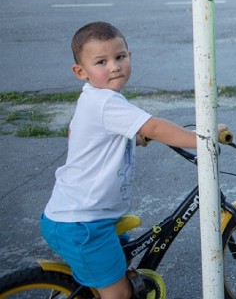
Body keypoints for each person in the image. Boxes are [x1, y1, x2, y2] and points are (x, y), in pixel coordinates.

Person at [41, 21, 215, 299]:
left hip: (85, 216)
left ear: (129, 56)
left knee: (121, 261)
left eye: (120, 57)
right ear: (80, 72)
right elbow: (155, 127)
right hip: (83, 223)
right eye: (102, 61)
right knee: (119, 295)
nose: (114, 66)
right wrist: (205, 139)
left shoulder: (94, 98)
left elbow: (84, 133)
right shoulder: (107, 102)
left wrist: (133, 137)